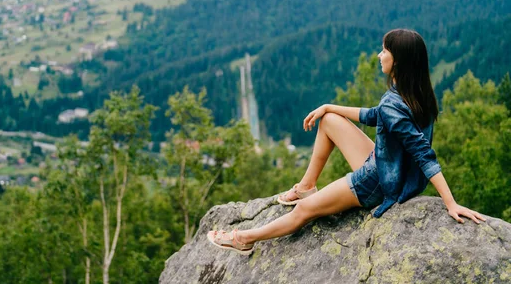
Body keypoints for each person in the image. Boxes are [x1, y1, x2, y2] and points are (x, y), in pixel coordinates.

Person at [207, 29, 486, 255]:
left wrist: (450, 204)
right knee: (328, 120)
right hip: (391, 168)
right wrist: (329, 106)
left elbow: (425, 155)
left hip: (377, 181)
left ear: (397, 60)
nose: (379, 55)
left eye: (385, 51)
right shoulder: (418, 92)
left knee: (305, 211)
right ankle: (306, 186)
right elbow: (376, 116)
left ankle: (244, 238)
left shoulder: (394, 102)